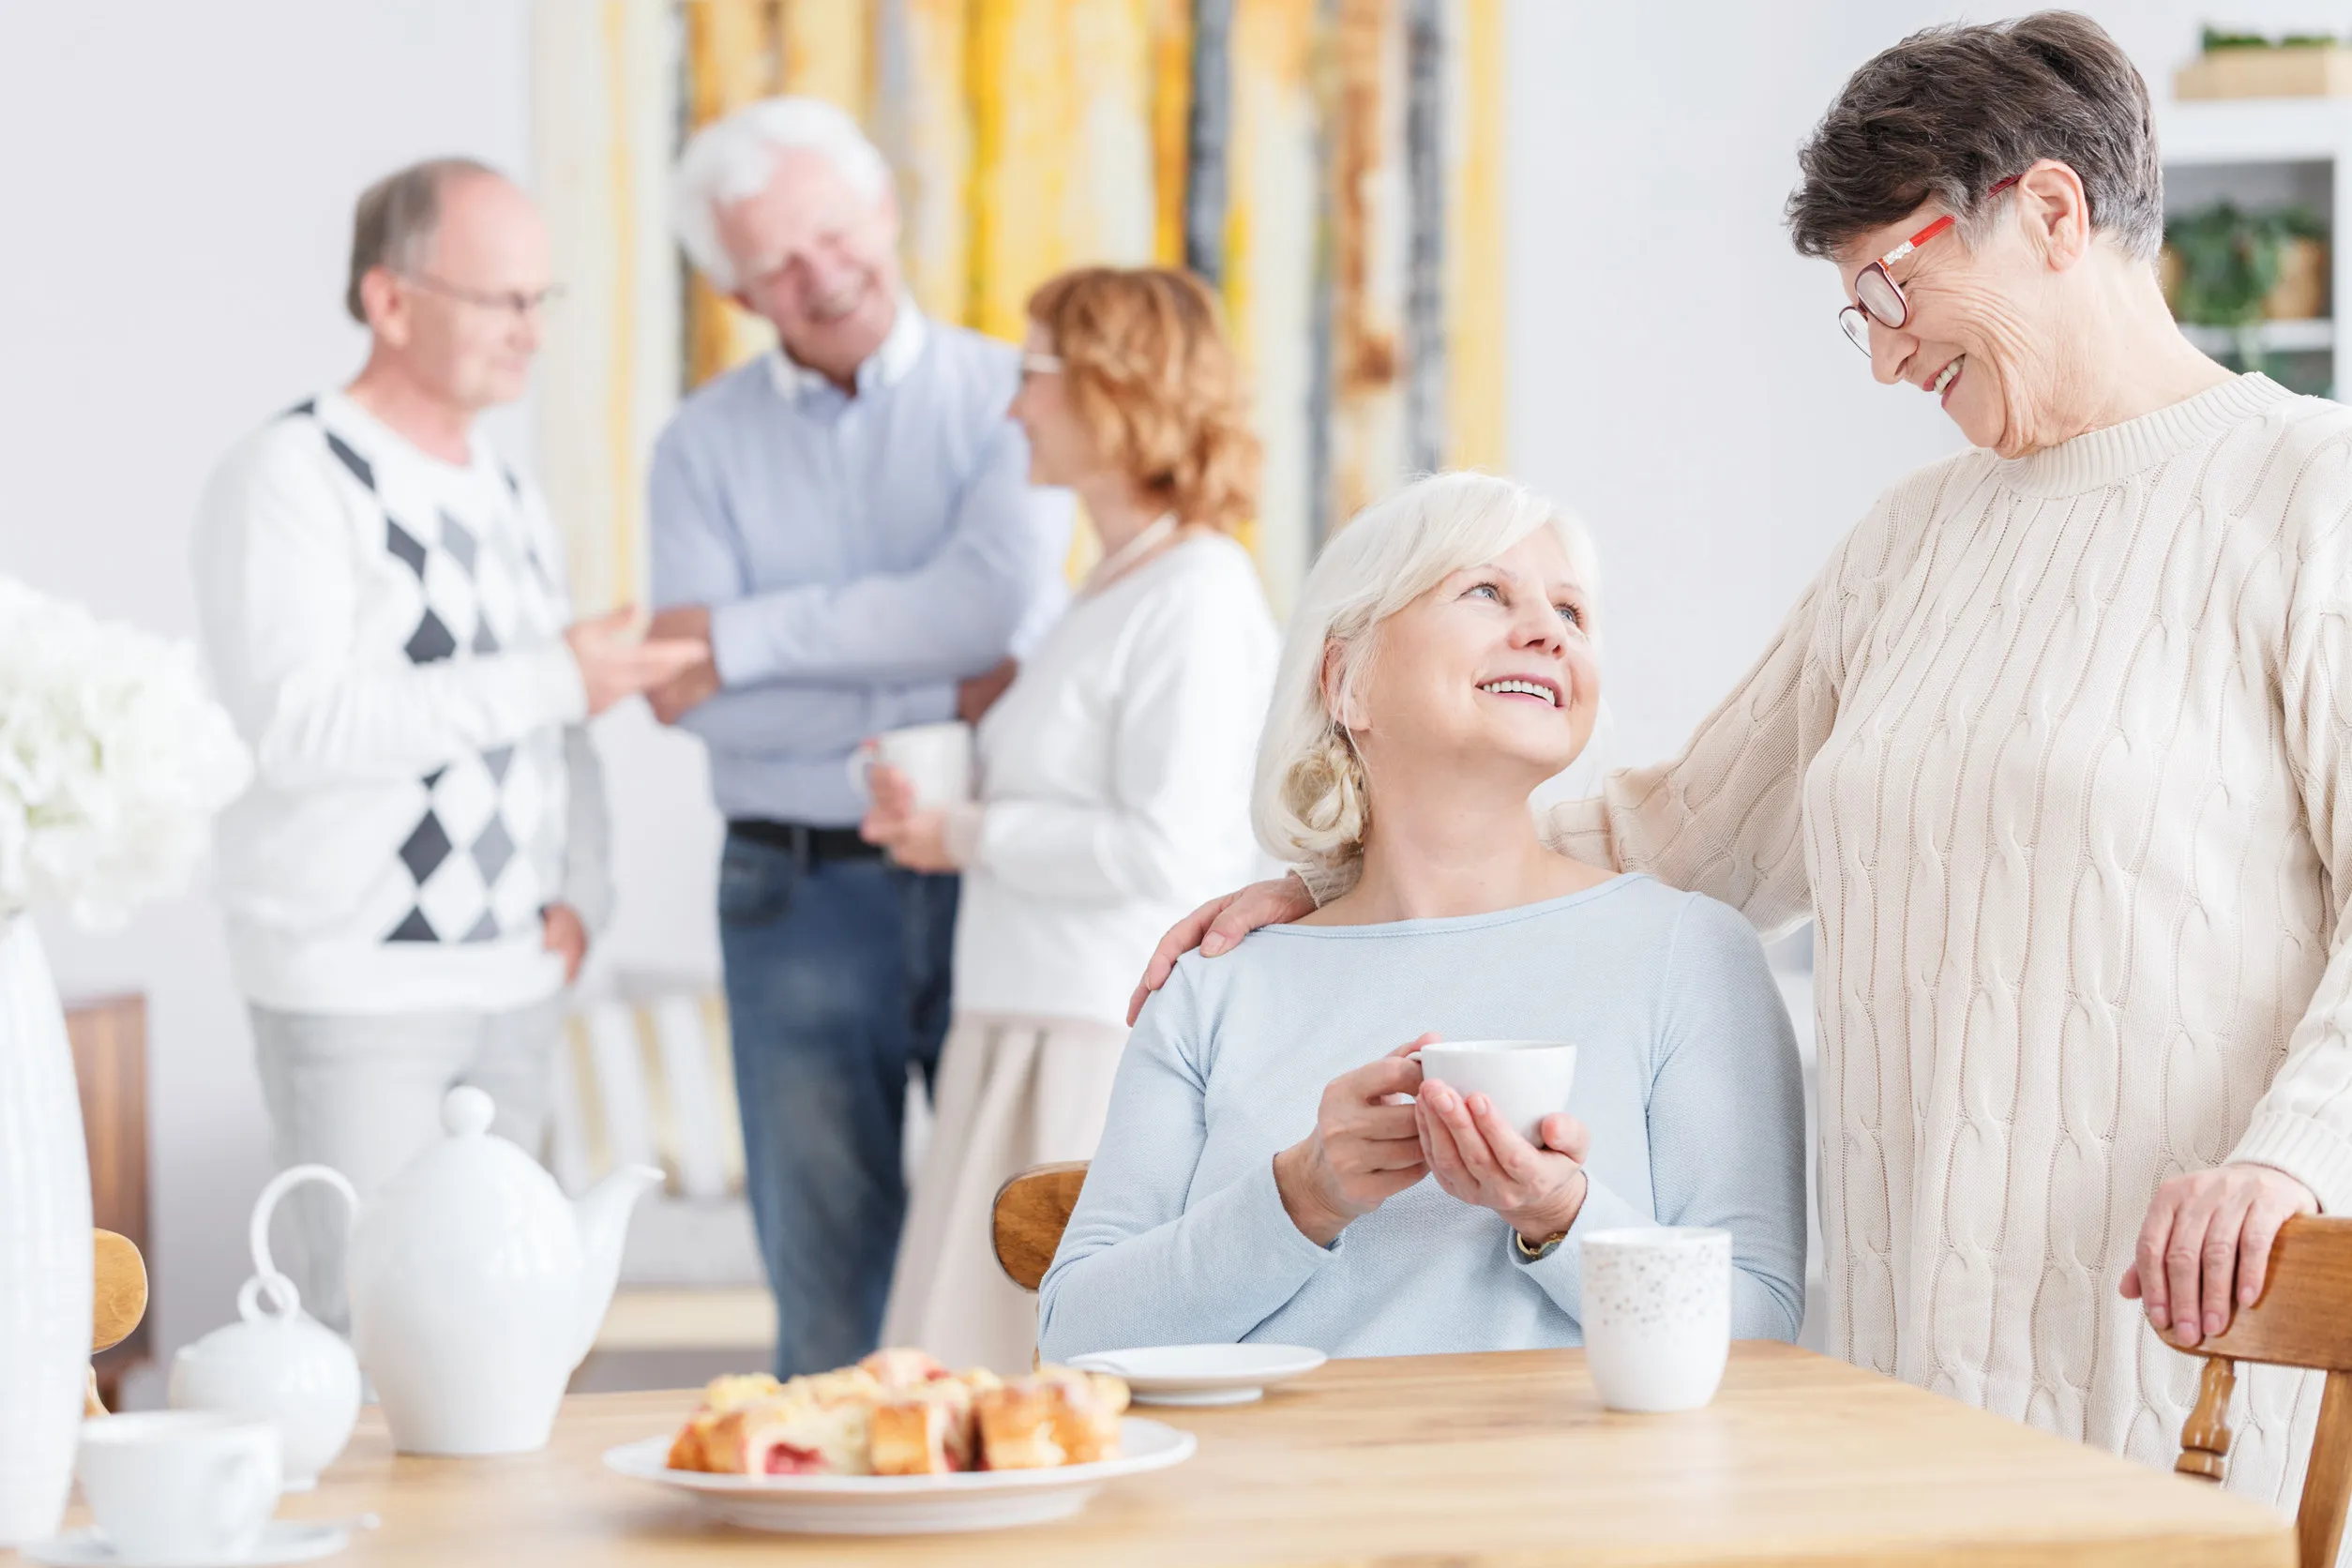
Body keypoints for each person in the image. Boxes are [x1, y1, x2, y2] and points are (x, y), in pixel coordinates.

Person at [1134, 12, 2352, 1519]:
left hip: (2193, 1334)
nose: (1888, 354)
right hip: (1911, 1355)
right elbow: (1683, 830)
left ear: (2051, 212)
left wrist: (2291, 1162)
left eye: (1895, 286)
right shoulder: (1906, 546)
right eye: (1857, 312)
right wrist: (1333, 881)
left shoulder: (2309, 495)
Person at [1037, 473, 1806, 1362]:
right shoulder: (1217, 979)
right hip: (1269, 1498)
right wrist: (1302, 1197)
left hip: (1580, 1502)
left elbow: (1761, 1325)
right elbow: (1074, 1339)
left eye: (1573, 613)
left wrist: (1560, 1217)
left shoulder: (1690, 954)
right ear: (1345, 680)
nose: (1547, 632)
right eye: (1486, 592)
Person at [192, 158, 707, 1324]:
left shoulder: (508, 492)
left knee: (496, 1337)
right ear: (390, 301)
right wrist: (555, 673)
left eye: (542, 301)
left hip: (513, 983)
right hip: (358, 984)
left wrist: (585, 885)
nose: (531, 333)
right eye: (501, 300)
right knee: (373, 1337)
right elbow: (300, 725)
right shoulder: (291, 478)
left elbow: (555, 709)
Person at [645, 98, 1071, 1377]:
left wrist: (750, 637)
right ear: (733, 288)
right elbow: (688, 686)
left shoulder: (1013, 396)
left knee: (1017, 1246)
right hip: (793, 886)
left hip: (988, 875)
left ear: (885, 214)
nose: (820, 270)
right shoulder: (698, 445)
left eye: (834, 228)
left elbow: (983, 603)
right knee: (827, 1279)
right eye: (777, 257)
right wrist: (945, 694)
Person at [859, 266, 1280, 1371]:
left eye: (1031, 372)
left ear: (1113, 384)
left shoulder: (1195, 593)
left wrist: (965, 833)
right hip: (1024, 1021)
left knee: (1053, 1385)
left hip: (1089, 1045)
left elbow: (1171, 849)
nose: (1013, 407)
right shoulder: (1116, 589)